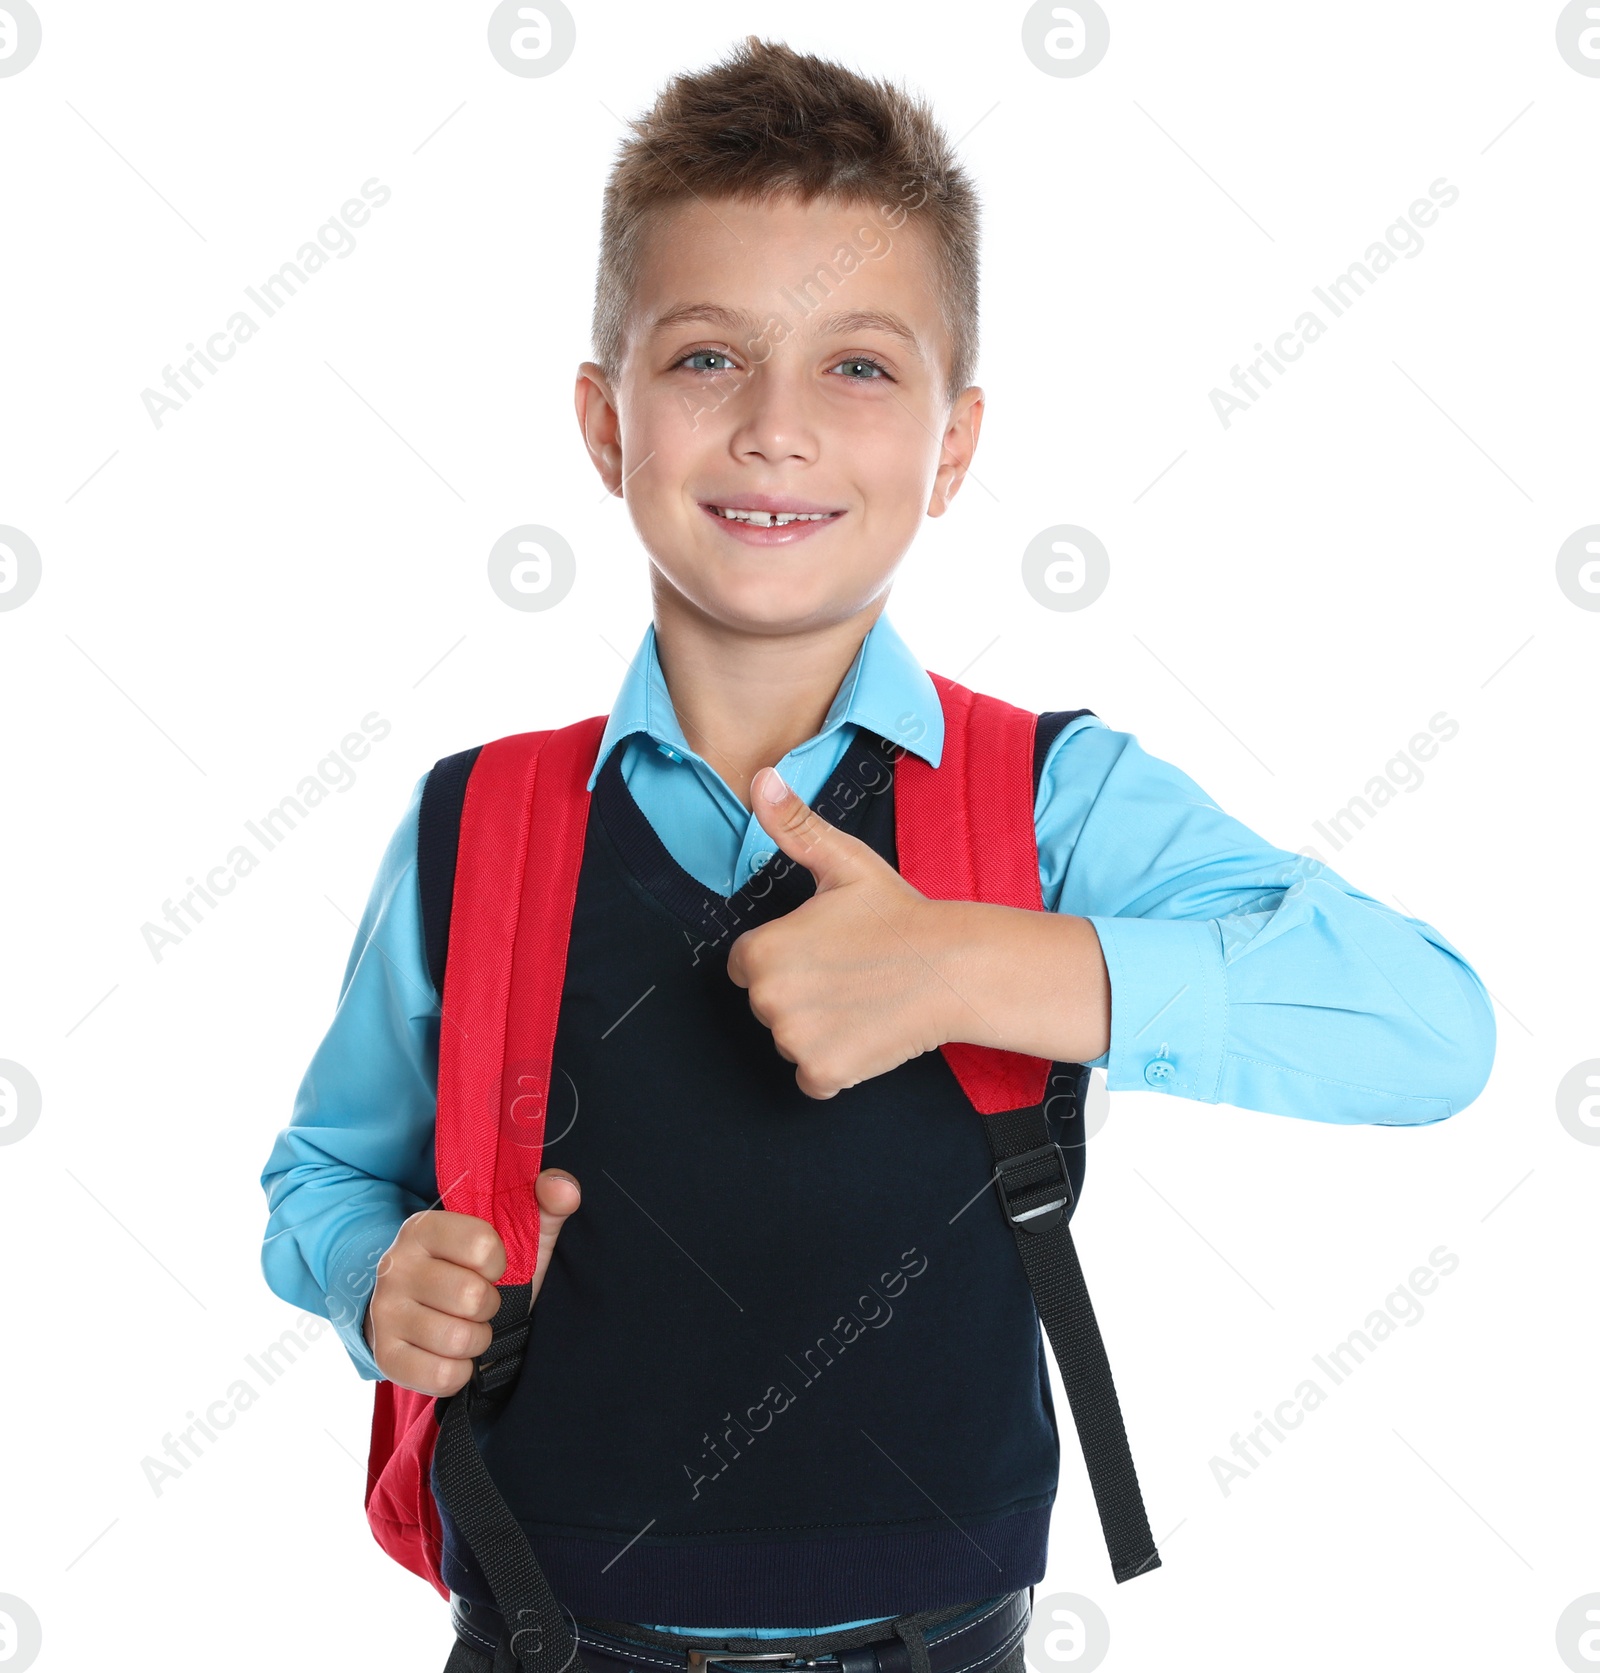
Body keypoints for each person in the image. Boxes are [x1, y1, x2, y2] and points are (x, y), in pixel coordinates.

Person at [258, 36, 1496, 1672]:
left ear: (955, 444)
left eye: (858, 367)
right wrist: (376, 1276)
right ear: (604, 422)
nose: (777, 429)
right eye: (706, 359)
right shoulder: (474, 822)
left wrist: (972, 962)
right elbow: (321, 1178)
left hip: (945, 1637)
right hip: (545, 1629)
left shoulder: (1050, 802)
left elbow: (1430, 1030)